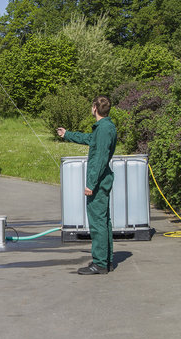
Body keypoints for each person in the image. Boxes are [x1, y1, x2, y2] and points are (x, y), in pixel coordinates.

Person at [57, 95, 117, 275]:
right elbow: (90, 140)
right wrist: (67, 134)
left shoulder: (105, 129)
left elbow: (100, 159)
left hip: (98, 182)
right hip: (101, 180)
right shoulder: (104, 127)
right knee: (103, 221)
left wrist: (90, 184)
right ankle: (106, 261)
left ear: (94, 109)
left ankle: (99, 263)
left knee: (98, 222)